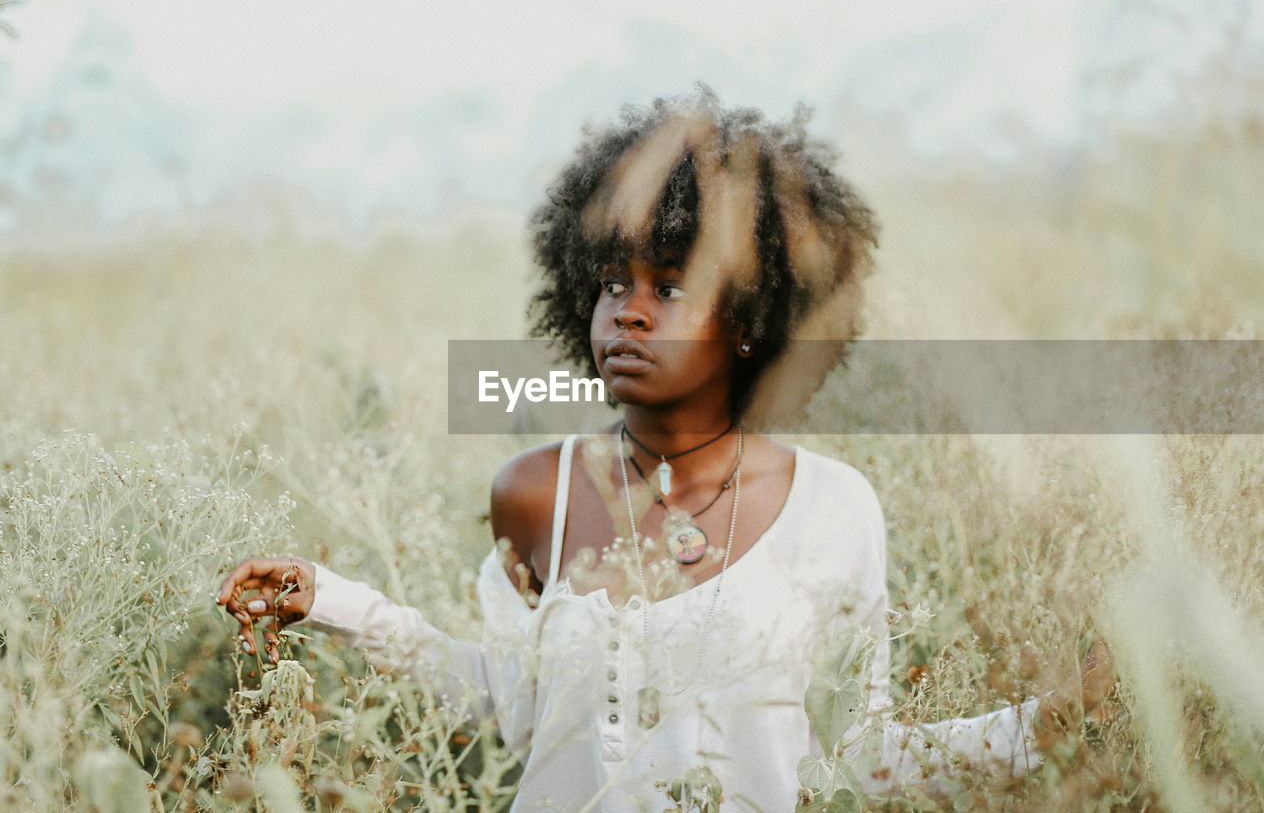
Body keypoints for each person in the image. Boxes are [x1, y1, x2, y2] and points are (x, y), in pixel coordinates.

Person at [217, 90, 1111, 811]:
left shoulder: (835, 508)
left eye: (672, 287)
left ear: (754, 320)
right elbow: (512, 711)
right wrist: (333, 599)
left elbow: (858, 751)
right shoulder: (537, 492)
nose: (628, 312)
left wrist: (1049, 719)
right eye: (613, 285)